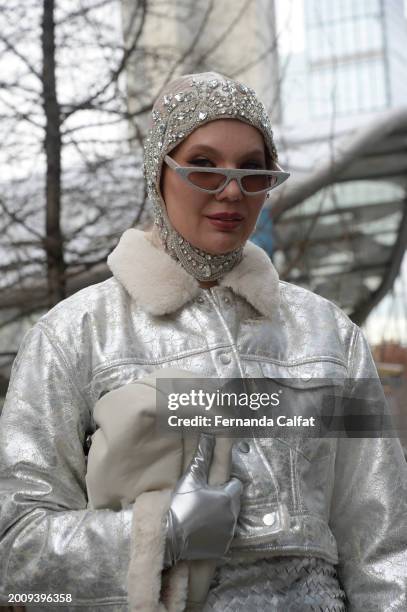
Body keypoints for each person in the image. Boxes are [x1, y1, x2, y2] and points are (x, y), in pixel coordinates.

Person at [0, 71, 406, 612]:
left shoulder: (330, 334)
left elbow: (383, 546)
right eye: (203, 166)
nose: (232, 190)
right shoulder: (73, 335)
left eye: (253, 170)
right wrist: (159, 532)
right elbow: (15, 553)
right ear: (158, 172)